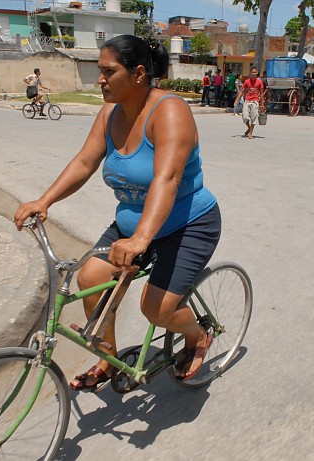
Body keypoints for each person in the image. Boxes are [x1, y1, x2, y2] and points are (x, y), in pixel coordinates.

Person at [13, 35, 219, 389]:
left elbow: (167, 178)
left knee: (156, 308)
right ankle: (108, 359)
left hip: (186, 224)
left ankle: (198, 335)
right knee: (89, 280)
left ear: (138, 74)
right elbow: (84, 162)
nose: (100, 80)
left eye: (108, 71)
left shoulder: (170, 111)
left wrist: (142, 238)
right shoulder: (109, 113)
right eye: (100, 71)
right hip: (133, 224)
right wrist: (44, 201)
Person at [235, 66, 264, 139]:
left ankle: (250, 133)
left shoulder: (259, 81)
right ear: (250, 73)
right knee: (245, 117)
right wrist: (237, 100)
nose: (254, 74)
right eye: (252, 72)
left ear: (257, 73)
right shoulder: (247, 81)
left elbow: (262, 93)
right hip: (247, 100)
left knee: (253, 117)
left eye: (255, 72)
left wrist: (262, 104)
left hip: (255, 101)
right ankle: (249, 128)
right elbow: (242, 91)